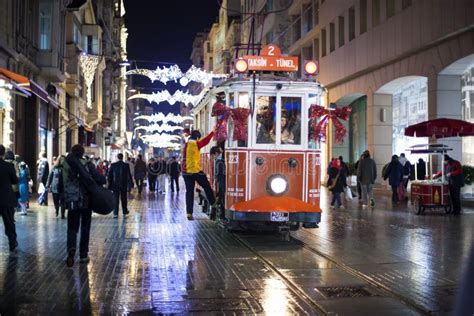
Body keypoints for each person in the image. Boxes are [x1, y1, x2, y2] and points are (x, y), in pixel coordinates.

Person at [63, 144, 106, 267]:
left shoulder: (65, 164)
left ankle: (71, 248)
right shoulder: (87, 164)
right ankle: (83, 255)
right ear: (82, 153)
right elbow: (99, 179)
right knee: (85, 228)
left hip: (72, 200)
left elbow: (62, 182)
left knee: (72, 228)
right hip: (86, 200)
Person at [182, 129, 216, 220]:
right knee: (206, 185)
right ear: (197, 137)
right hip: (195, 171)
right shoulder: (195, 144)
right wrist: (213, 132)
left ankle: (189, 213)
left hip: (185, 172)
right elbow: (205, 141)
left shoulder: (186, 144)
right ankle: (213, 203)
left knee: (189, 192)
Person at [0, 145, 18, 251]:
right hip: (6, 198)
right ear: (3, 154)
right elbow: (15, 181)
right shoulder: (9, 166)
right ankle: (12, 242)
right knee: (9, 222)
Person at [108, 153, 132, 218]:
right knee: (124, 198)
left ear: (117, 157)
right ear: (122, 157)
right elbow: (129, 175)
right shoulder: (126, 165)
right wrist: (130, 184)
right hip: (123, 184)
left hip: (115, 185)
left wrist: (109, 185)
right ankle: (124, 211)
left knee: (116, 199)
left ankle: (115, 213)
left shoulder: (113, 165)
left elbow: (109, 176)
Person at [214, 146, 226, 219]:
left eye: (213, 155)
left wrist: (217, 181)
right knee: (222, 198)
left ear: (216, 153)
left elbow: (219, 173)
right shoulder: (220, 160)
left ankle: (223, 215)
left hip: (222, 182)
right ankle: (222, 215)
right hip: (222, 182)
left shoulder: (219, 161)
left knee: (222, 198)